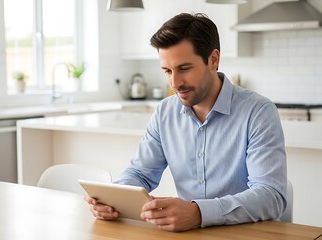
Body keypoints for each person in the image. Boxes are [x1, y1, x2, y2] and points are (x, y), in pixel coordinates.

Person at [85, 13, 287, 232]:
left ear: (213, 60)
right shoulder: (165, 112)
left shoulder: (258, 112)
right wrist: (114, 197)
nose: (175, 83)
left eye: (184, 68)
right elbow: (140, 174)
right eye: (167, 71)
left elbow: (271, 196)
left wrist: (198, 213)